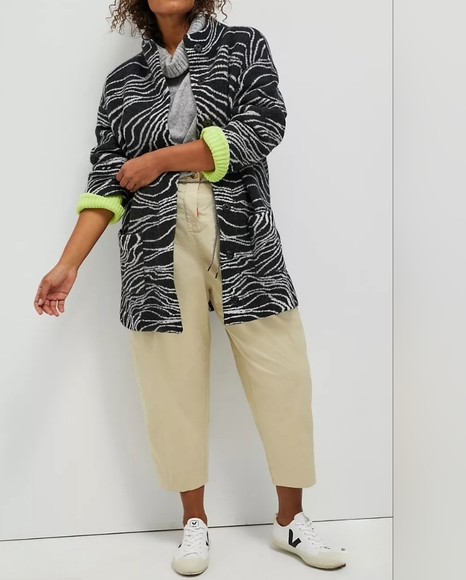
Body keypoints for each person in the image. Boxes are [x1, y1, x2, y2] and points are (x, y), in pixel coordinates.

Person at [34, 0, 347, 575]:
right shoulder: (124, 81)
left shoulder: (242, 46)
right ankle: (194, 522)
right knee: (170, 381)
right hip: (155, 245)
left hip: (243, 234)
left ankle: (290, 520)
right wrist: (68, 264)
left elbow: (264, 126)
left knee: (283, 372)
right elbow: (108, 176)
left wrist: (161, 159)